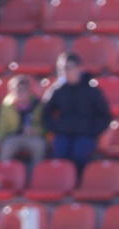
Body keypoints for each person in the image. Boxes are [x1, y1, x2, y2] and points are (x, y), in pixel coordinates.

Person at [41, 52, 113, 180]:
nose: (65, 72)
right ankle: (61, 185)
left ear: (79, 68)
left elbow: (105, 116)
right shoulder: (57, 90)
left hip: (85, 134)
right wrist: (56, 128)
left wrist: (92, 131)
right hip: (64, 133)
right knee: (59, 154)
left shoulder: (92, 90)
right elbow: (45, 113)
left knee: (79, 154)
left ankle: (78, 186)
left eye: (69, 68)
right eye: (62, 69)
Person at [0, 75, 47, 171]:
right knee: (6, 148)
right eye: (17, 89)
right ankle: (3, 174)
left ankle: (35, 175)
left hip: (33, 137)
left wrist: (35, 131)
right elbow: (2, 126)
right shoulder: (6, 105)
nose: (20, 92)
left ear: (29, 90)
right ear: (11, 91)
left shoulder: (38, 104)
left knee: (39, 146)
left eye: (23, 89)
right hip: (13, 136)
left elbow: (45, 126)